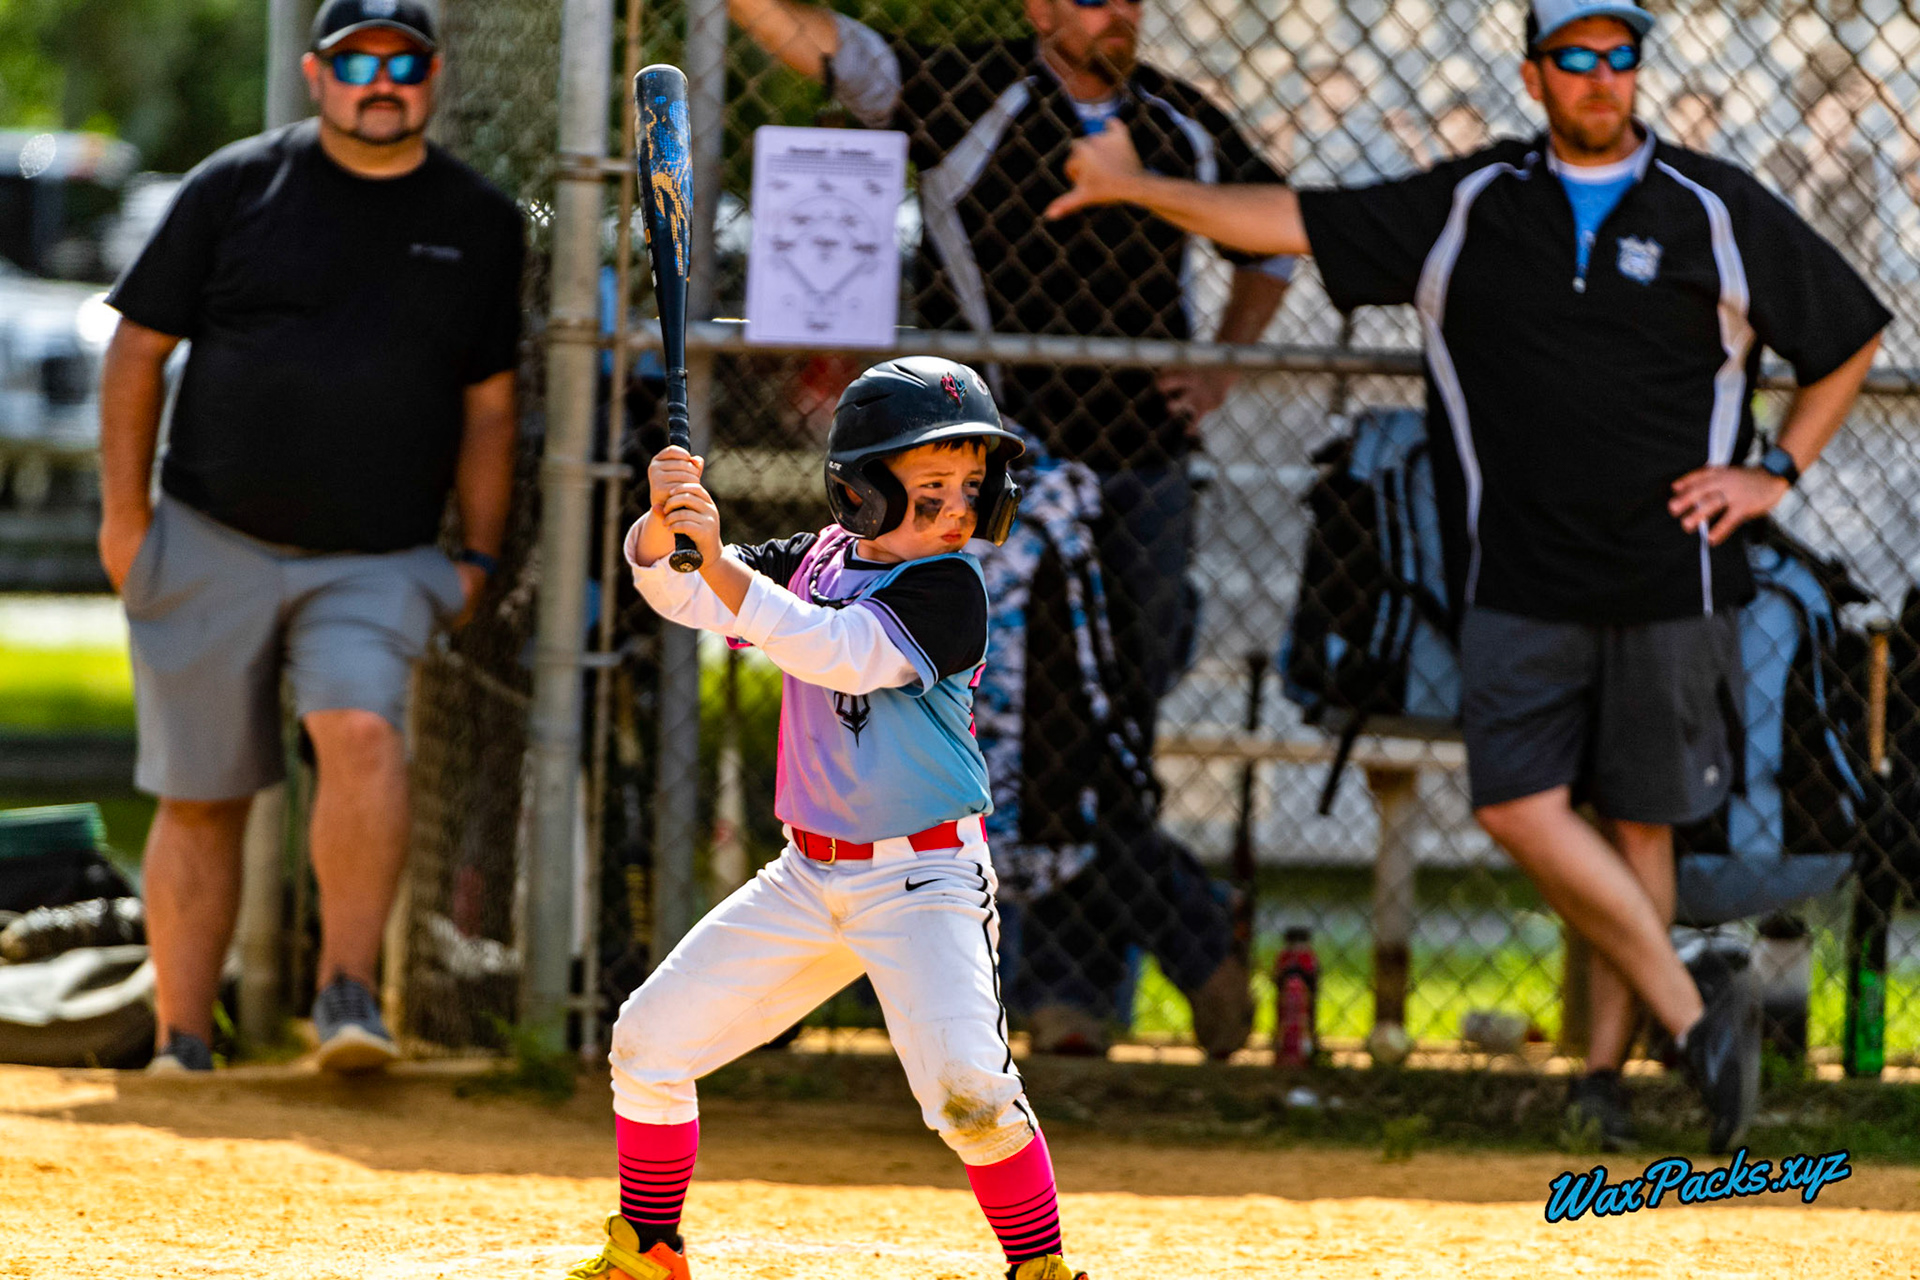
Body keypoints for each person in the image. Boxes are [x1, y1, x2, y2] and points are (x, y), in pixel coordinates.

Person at [1046, 0, 1889, 1152]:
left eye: (1620, 56)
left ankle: (1604, 1079)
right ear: (1535, 73)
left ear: (1636, 69)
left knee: (1639, 824)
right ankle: (1698, 1012)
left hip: (1672, 575)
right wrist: (1138, 186)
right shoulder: (1472, 205)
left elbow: (1846, 337)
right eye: (1576, 58)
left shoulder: (1713, 205)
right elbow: (1290, 219)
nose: (1601, 77)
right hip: (1516, 579)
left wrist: (1773, 473)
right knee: (1518, 804)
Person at [727, 0, 1286, 1056]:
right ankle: (1159, 941)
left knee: (1114, 720)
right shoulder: (973, 93)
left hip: (1143, 466)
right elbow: (840, 53)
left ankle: (1076, 991)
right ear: (1037, 10)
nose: (1109, 13)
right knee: (1013, 723)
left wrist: (1223, 362)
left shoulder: (1178, 122)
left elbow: (1280, 236)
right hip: (993, 484)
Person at [569, 357, 1088, 1280]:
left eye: (973, 487)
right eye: (929, 490)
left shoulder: (950, 590)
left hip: (924, 880)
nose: (957, 511)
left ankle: (1040, 1268)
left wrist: (725, 566)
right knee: (648, 1043)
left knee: (968, 1094)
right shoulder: (815, 561)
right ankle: (649, 1251)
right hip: (807, 877)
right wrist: (664, 531)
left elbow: (838, 651)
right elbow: (688, 594)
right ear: (859, 490)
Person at [97, 0, 524, 1073]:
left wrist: (476, 554)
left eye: (404, 61)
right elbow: (138, 349)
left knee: (361, 731)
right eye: (356, 60)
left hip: (377, 555)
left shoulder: (479, 219)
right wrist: (125, 521)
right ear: (317, 73)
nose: (381, 79)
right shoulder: (236, 185)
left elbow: (488, 405)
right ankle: (183, 1042)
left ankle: (348, 1000)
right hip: (205, 535)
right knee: (202, 791)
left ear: (432, 78)